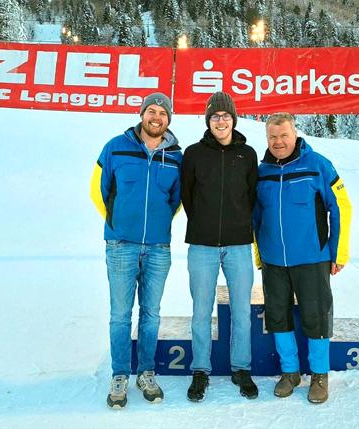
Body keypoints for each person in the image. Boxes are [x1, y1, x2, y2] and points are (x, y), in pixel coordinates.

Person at [90, 92, 182, 408]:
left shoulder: (176, 157)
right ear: (142, 114)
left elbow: (176, 200)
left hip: (158, 247)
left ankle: (145, 371)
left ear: (169, 119)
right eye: (151, 111)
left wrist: (157, 224)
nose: (156, 117)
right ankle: (120, 374)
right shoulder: (115, 147)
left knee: (151, 313)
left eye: (163, 113)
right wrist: (118, 223)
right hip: (121, 245)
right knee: (120, 314)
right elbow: (98, 190)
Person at [253, 112, 352, 404]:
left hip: (312, 257)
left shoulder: (318, 165)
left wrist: (338, 251)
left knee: (316, 316)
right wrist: (260, 256)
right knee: (278, 316)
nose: (278, 142)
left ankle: (319, 375)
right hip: (273, 261)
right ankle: (290, 373)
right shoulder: (262, 172)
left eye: (283, 135)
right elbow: (256, 217)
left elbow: (341, 208)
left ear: (295, 134)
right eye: (272, 137)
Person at [181, 91, 259, 402]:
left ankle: (241, 368)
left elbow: (252, 196)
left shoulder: (248, 154)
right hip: (202, 246)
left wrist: (239, 224)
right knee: (201, 310)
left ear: (234, 119)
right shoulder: (194, 154)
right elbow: (187, 196)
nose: (221, 120)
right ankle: (200, 369)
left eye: (226, 115)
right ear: (208, 121)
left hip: (239, 244)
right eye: (215, 116)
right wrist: (203, 223)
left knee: (242, 309)